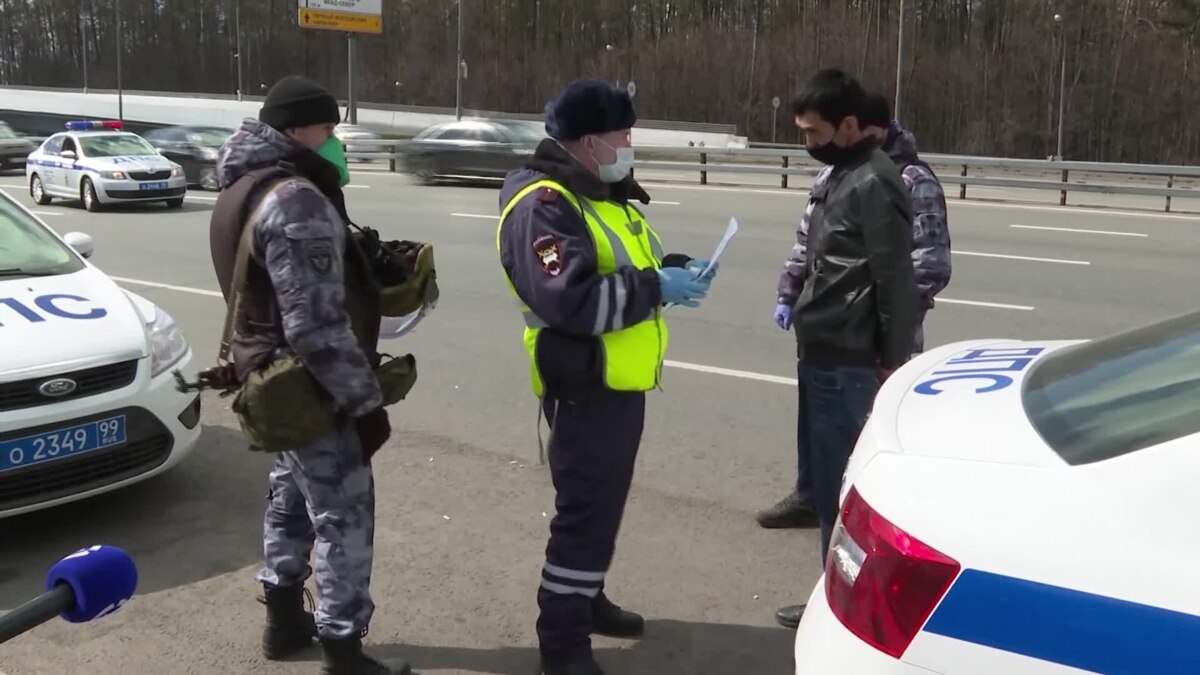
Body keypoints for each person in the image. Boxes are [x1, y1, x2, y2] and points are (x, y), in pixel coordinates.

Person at [496, 78, 716, 675]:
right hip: (585, 385)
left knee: (601, 509)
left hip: (614, 385)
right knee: (585, 516)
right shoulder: (545, 205)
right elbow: (571, 301)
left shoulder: (597, 191)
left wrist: (671, 271)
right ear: (591, 141)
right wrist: (655, 289)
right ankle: (562, 645)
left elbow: (617, 264)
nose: (630, 143)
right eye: (624, 134)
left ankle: (586, 600)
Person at [208, 75, 411, 675]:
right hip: (311, 391)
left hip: (271, 382)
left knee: (290, 500)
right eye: (329, 130)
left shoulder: (242, 186)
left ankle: (284, 620)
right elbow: (318, 328)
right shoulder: (295, 200)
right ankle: (343, 649)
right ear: (298, 130)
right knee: (344, 516)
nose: (336, 143)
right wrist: (364, 404)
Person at [755, 91, 953, 532]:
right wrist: (791, 291)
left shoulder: (907, 179)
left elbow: (926, 265)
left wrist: (887, 326)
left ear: (868, 129)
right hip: (828, 326)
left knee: (863, 433)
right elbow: (809, 240)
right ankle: (812, 494)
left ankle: (863, 516)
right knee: (817, 423)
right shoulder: (835, 174)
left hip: (876, 333)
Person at [766, 68, 919, 629]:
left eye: (814, 132)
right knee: (825, 488)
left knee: (841, 495)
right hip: (824, 349)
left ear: (849, 125)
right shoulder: (842, 175)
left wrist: (889, 356)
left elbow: (896, 279)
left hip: (848, 358)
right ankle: (837, 595)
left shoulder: (874, 182)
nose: (808, 144)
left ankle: (838, 607)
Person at [860, 90, 952, 354]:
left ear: (882, 130)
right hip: (848, 335)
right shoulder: (848, 171)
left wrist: (894, 315)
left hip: (893, 337)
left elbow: (932, 263)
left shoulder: (913, 180)